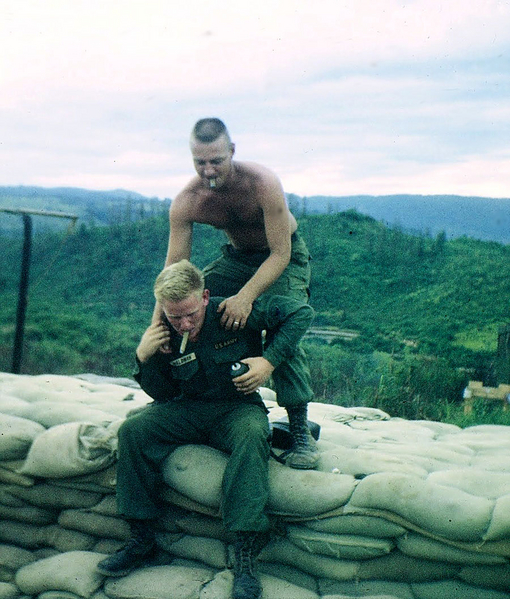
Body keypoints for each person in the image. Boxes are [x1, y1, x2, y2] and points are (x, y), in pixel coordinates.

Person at [98, 260, 314, 599]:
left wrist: (269, 361)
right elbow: (162, 393)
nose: (183, 324)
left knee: (253, 435)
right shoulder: (164, 328)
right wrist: (144, 357)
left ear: (204, 298)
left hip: (236, 408)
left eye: (190, 315)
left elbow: (301, 313)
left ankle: (244, 553)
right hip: (186, 408)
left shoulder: (232, 312)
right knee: (134, 431)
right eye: (174, 317)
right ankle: (141, 538)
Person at [153, 117, 318, 469]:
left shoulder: (262, 183)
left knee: (283, 319)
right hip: (237, 258)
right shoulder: (187, 201)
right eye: (200, 162)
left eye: (216, 160)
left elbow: (281, 253)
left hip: (283, 257)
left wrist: (245, 297)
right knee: (198, 306)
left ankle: (300, 428)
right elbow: (173, 274)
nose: (209, 170)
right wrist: (161, 325)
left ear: (232, 151)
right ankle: (189, 397)